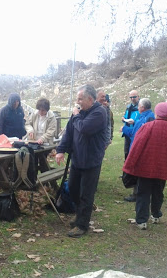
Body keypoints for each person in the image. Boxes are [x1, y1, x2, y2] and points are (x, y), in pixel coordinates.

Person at [122, 102, 167, 230]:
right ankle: (156, 215)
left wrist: (129, 164)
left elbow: (136, 147)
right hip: (164, 169)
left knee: (143, 193)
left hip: (144, 168)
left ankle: (141, 221)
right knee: (158, 192)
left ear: (157, 113)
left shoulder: (147, 127)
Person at [56, 85, 107, 238]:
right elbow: (69, 133)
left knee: (86, 193)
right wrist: (60, 150)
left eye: (80, 99)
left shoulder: (99, 112)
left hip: (92, 160)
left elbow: (84, 128)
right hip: (77, 159)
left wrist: (76, 115)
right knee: (72, 188)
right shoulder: (79, 113)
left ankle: (82, 225)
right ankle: (80, 215)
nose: (77, 102)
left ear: (90, 99)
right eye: (77, 99)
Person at [120, 97, 155, 202]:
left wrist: (124, 129)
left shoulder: (145, 119)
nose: (138, 107)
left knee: (137, 172)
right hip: (142, 150)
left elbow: (135, 135)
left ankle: (137, 195)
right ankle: (140, 193)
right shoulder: (147, 117)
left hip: (140, 151)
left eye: (139, 106)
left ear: (143, 107)